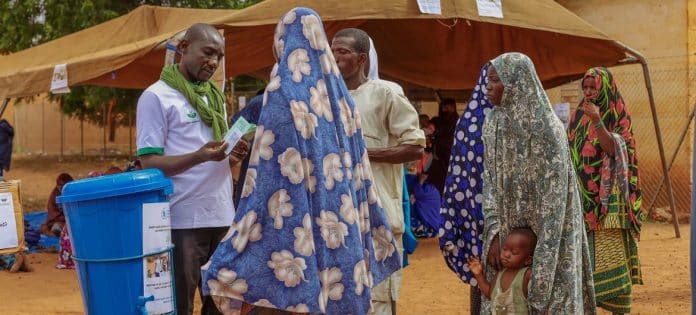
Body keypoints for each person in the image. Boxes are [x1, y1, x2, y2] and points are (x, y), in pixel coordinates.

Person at [202, 8, 401, 314]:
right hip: (340, 232)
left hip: (297, 234)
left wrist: (241, 240)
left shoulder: (282, 94)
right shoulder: (343, 101)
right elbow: (360, 173)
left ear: (283, 43)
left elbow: (268, 178)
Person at [136, 23, 248, 315]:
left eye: (219, 57)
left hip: (222, 215)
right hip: (182, 220)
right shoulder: (156, 97)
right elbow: (149, 163)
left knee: (222, 304)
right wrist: (199, 157)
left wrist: (231, 156)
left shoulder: (214, 97)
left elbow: (214, 156)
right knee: (180, 304)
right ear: (184, 48)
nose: (213, 62)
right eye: (208, 52)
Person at [481, 52, 595, 314]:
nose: (488, 87)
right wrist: (496, 233)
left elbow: (553, 209)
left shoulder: (547, 129)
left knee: (549, 301)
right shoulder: (493, 124)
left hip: (550, 241)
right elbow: (489, 182)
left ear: (517, 83)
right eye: (488, 80)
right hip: (510, 236)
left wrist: (541, 276)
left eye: (496, 80)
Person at [332, 28, 425, 315]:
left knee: (379, 301)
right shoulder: (322, 98)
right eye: (332, 50)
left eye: (342, 52)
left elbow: (414, 148)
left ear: (361, 59)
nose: (334, 57)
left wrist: (361, 154)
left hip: (379, 218)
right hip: (336, 220)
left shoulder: (385, 93)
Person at [567, 67, 644, 314]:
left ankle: (619, 308)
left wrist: (598, 121)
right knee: (585, 256)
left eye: (593, 87)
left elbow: (616, 150)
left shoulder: (617, 114)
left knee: (611, 255)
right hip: (583, 198)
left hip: (609, 201)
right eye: (585, 87)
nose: (588, 92)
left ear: (605, 88)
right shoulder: (578, 115)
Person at [438, 63, 493, 315]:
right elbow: (460, 173)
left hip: (517, 217)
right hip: (478, 210)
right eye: (489, 81)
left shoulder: (524, 119)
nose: (493, 87)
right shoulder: (470, 120)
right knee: (482, 267)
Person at [468, 228, 536, 315]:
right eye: (504, 249)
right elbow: (490, 293)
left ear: (528, 260)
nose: (506, 254)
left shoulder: (526, 275)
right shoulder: (500, 273)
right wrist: (478, 274)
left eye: (514, 252)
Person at [427, 98, 459, 192]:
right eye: (443, 107)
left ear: (453, 108)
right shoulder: (436, 121)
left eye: (448, 107)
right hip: (437, 158)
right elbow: (429, 130)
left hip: (451, 157)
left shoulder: (457, 122)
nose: (445, 109)